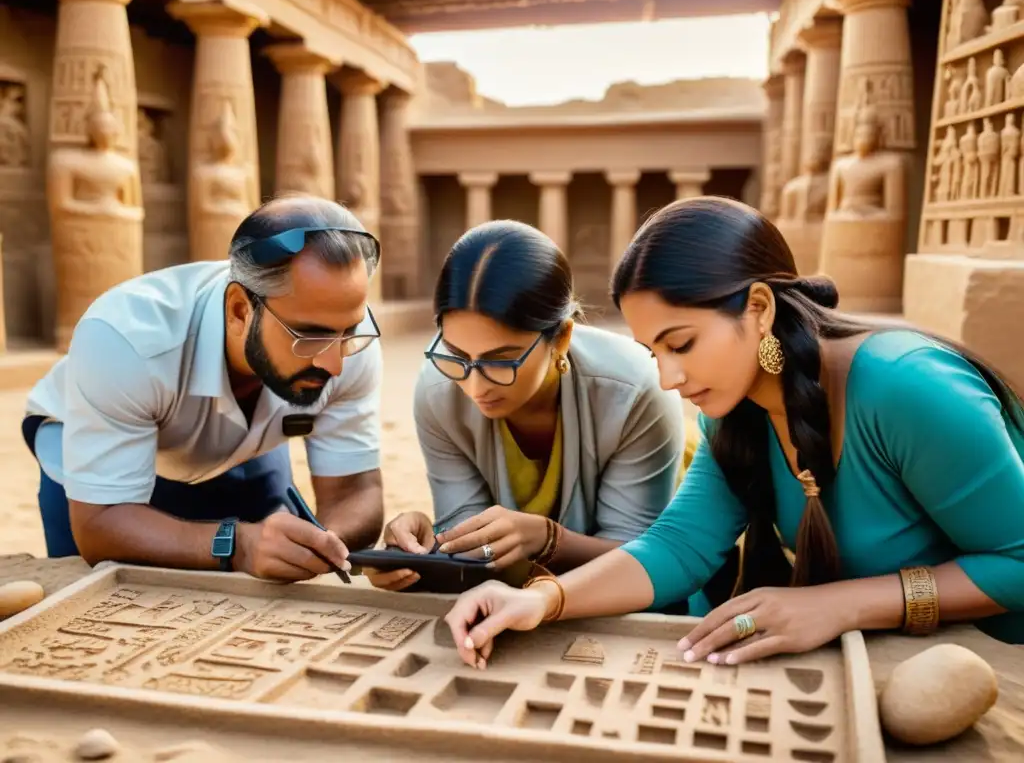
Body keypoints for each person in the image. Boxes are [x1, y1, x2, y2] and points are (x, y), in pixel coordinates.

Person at [443, 196, 1024, 670]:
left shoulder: (906, 386)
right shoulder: (735, 409)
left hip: (991, 656)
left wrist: (838, 604)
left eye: (683, 344)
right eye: (653, 353)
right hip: (881, 657)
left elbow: (1018, 561)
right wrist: (540, 600)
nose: (668, 378)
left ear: (760, 308)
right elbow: (679, 546)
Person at [22, 195, 386, 582]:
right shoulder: (125, 340)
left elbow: (354, 490)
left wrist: (322, 545)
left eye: (349, 332)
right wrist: (239, 545)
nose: (336, 363)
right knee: (105, 600)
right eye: (309, 337)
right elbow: (102, 524)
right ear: (239, 311)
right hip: (103, 460)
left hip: (241, 452)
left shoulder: (347, 339)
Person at [364, 219, 709, 598]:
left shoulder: (634, 390)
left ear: (561, 338)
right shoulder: (439, 387)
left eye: (502, 360)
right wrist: (419, 556)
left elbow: (643, 564)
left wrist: (548, 540)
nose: (475, 386)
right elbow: (473, 551)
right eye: (457, 355)